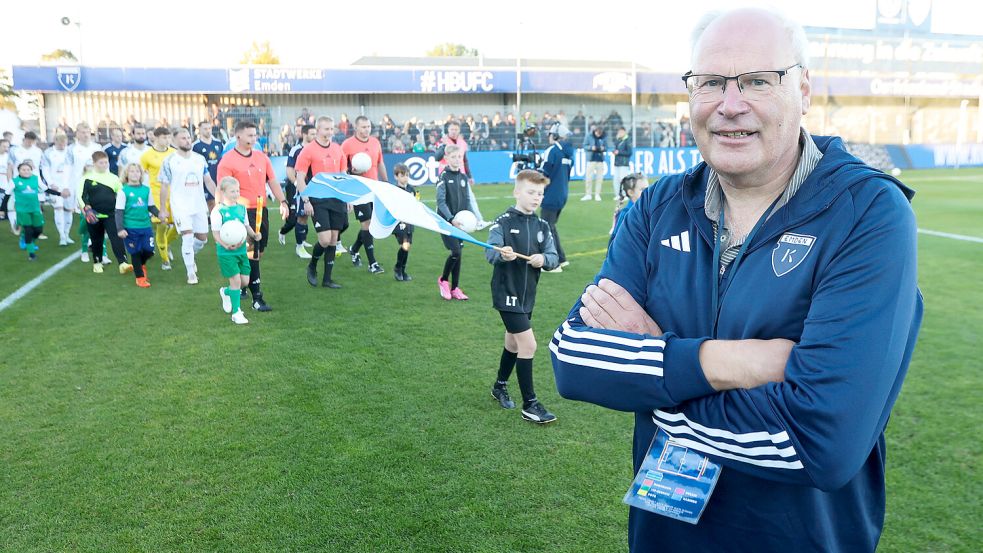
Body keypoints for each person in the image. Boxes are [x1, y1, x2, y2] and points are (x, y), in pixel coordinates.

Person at [550, 8, 923, 552]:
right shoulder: (659, 207)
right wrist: (738, 362)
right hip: (664, 537)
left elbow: (820, 442)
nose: (730, 104)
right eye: (710, 83)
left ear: (804, 90)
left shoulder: (866, 213)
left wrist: (654, 367)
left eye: (756, 81)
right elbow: (573, 360)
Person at [486, 169, 559, 424]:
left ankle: (499, 386)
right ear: (517, 192)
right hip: (507, 293)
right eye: (531, 192)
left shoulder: (542, 226)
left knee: (513, 344)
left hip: (528, 296)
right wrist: (502, 252)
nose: (536, 197)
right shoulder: (503, 222)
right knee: (528, 345)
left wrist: (544, 259)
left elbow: (553, 257)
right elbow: (490, 252)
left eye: (540, 193)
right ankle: (531, 404)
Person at [217, 120, 289, 311]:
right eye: (249, 135)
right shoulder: (227, 161)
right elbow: (221, 188)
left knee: (258, 252)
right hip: (240, 212)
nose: (253, 138)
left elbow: (273, 181)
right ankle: (257, 298)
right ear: (237, 136)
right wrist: (220, 212)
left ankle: (240, 284)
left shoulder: (262, 157)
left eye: (255, 134)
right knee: (253, 254)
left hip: (261, 210)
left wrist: (283, 202)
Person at [158, 128, 217, 285]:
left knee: (202, 238)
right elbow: (164, 186)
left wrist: (219, 198)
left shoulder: (199, 159)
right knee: (188, 236)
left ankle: (190, 254)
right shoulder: (169, 161)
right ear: (175, 141)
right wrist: (163, 208)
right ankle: (191, 273)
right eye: (183, 138)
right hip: (180, 205)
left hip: (198, 204)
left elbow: (208, 181)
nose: (187, 140)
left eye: (188, 137)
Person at [296, 116, 348, 289]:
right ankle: (312, 265)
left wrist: (347, 197)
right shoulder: (308, 150)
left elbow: (343, 174)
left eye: (332, 129)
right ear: (318, 130)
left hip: (337, 198)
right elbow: (300, 177)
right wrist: (306, 200)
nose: (330, 132)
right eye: (326, 129)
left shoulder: (337, 149)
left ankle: (327, 279)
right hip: (318, 200)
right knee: (324, 240)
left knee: (333, 239)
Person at [342, 115, 388, 274]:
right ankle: (372, 263)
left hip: (374, 189)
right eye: (363, 127)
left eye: (368, 126)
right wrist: (351, 172)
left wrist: (386, 183)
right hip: (358, 190)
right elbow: (341, 168)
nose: (366, 129)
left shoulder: (375, 142)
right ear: (356, 128)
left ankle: (354, 249)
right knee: (367, 225)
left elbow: (380, 163)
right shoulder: (347, 145)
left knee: (371, 225)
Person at [435, 145, 482, 301]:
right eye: (453, 157)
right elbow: (441, 202)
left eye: (459, 157)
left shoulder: (462, 177)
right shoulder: (443, 177)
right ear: (447, 158)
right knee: (455, 252)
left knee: (459, 254)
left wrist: (473, 219)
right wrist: (450, 219)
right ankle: (443, 281)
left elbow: (467, 200)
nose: (456, 160)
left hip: (461, 222)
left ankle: (455, 288)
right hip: (446, 222)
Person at [211, 176, 259, 325]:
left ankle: (226, 292)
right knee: (236, 281)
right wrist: (225, 245)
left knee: (245, 281)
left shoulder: (241, 208)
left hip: (241, 251)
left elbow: (246, 226)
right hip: (226, 253)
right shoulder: (218, 211)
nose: (236, 194)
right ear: (223, 192)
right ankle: (236, 313)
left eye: (237, 190)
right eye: (232, 191)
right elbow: (216, 234)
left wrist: (254, 234)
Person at [78, 151, 130, 273]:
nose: (104, 165)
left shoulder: (113, 178)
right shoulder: (86, 178)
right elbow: (81, 196)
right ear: (94, 163)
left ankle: (123, 263)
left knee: (116, 238)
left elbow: (121, 194)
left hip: (111, 214)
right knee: (97, 240)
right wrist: (86, 209)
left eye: (106, 162)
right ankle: (97, 262)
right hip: (94, 215)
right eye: (101, 162)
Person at [115, 163, 160, 287]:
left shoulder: (146, 190)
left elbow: (151, 206)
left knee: (149, 251)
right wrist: (120, 229)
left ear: (141, 174)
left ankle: (141, 265)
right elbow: (119, 212)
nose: (135, 174)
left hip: (145, 226)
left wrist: (159, 214)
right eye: (132, 171)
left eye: (137, 171)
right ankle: (140, 278)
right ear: (127, 175)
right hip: (130, 228)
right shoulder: (123, 191)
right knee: (135, 252)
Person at [140, 127, 177, 269]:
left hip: (173, 193)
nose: (167, 141)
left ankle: (165, 244)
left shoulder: (174, 153)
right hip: (156, 193)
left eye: (169, 138)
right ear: (155, 138)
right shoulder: (147, 155)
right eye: (164, 138)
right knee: (162, 224)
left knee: (179, 227)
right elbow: (140, 173)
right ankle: (165, 260)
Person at [540, 123, 575, 273]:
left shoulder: (552, 151)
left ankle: (553, 264)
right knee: (551, 227)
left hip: (551, 195)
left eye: (550, 134)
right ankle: (561, 258)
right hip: (562, 194)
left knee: (546, 228)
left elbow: (543, 175)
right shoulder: (568, 153)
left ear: (555, 136)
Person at [278, 123, 315, 259]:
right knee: (299, 217)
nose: (315, 136)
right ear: (304, 135)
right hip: (299, 188)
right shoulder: (296, 150)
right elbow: (289, 170)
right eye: (312, 134)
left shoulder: (316, 149)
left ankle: (303, 241)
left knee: (309, 216)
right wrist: (297, 184)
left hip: (314, 188)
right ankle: (299, 247)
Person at [10, 161, 58, 260]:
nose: (26, 171)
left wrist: (60, 194)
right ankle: (31, 253)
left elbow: (46, 189)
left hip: (35, 209)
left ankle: (25, 238)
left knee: (38, 230)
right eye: (23, 169)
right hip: (22, 210)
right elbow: (7, 194)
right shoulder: (14, 181)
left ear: (31, 171)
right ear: (19, 171)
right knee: (28, 229)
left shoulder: (36, 179)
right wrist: (2, 209)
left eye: (28, 169)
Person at [39, 133, 74, 245]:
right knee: (58, 209)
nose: (63, 145)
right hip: (56, 186)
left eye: (65, 143)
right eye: (61, 143)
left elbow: (73, 169)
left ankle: (67, 234)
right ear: (55, 141)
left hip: (68, 186)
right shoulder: (48, 153)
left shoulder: (69, 152)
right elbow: (45, 169)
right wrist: (51, 183)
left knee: (68, 210)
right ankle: (62, 236)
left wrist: (70, 185)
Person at [390, 163, 416, 281]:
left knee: (407, 246)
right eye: (402, 175)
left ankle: (403, 270)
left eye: (407, 175)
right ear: (396, 177)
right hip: (399, 223)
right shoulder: (394, 190)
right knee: (404, 245)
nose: (405, 177)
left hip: (410, 222)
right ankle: (398, 268)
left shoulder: (411, 190)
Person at [191, 120, 224, 213]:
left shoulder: (218, 143)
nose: (208, 131)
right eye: (205, 129)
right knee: (210, 202)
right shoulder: (196, 146)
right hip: (204, 178)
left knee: (219, 200)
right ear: (200, 130)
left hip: (217, 176)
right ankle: (212, 221)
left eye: (209, 128)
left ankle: (216, 220)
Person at [608, 172, 648, 245]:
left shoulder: (647, 209)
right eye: (642, 189)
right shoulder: (626, 214)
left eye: (648, 188)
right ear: (631, 192)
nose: (647, 192)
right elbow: (616, 242)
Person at [434, 120, 473, 184]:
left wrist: (469, 176)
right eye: (452, 129)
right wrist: (444, 146)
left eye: (456, 129)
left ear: (459, 130)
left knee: (465, 194)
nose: (454, 131)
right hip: (446, 175)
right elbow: (437, 157)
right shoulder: (442, 142)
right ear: (448, 130)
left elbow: (465, 160)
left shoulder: (462, 143)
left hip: (460, 174)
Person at [582, 125, 606, 201]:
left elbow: (607, 147)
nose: (599, 135)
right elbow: (584, 146)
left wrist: (604, 148)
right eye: (598, 133)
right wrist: (591, 148)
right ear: (595, 131)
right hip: (591, 159)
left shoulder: (603, 137)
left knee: (599, 178)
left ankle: (597, 194)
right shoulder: (589, 136)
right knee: (589, 177)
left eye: (600, 133)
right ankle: (588, 194)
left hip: (600, 160)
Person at [611, 126, 632, 200]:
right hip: (617, 163)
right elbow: (615, 148)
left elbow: (629, 152)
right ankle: (617, 194)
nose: (619, 133)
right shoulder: (618, 140)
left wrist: (619, 152)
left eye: (621, 132)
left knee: (623, 179)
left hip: (623, 163)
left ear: (624, 132)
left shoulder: (627, 140)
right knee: (616, 179)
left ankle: (625, 194)